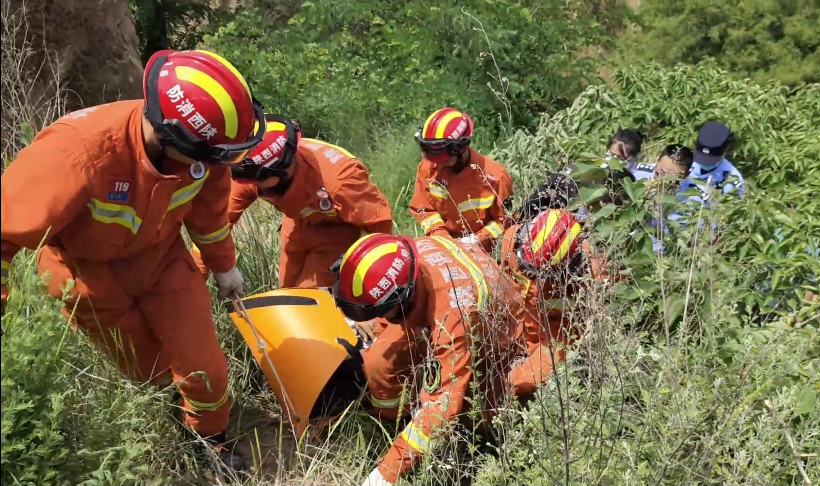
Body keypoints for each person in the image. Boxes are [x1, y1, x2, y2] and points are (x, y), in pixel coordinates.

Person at [0, 50, 262, 454]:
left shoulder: (204, 150)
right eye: (213, 156)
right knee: (152, 372)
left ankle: (210, 441)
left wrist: (224, 267)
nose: (218, 165)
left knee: (206, 371)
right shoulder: (75, 154)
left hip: (163, 263)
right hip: (88, 278)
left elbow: (209, 216)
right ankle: (172, 414)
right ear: (171, 135)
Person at [329, 233, 532, 486]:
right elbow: (387, 317)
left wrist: (386, 475)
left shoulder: (456, 313)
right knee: (381, 361)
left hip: (495, 348)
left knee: (478, 418)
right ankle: (395, 422)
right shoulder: (398, 254)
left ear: (402, 299)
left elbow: (444, 403)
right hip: (434, 311)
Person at [192, 114, 394, 289]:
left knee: (310, 297)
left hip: (336, 230)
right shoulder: (251, 171)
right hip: (297, 225)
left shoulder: (341, 183)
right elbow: (215, 225)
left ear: (282, 169)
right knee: (286, 292)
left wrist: (373, 275)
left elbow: (379, 225)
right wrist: (196, 279)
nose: (253, 185)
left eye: (257, 180)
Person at [499, 209, 613, 398]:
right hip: (514, 328)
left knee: (519, 382)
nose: (530, 275)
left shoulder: (591, 276)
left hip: (556, 339)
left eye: (539, 273)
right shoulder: (512, 240)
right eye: (527, 267)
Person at [408, 107, 514, 253]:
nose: (437, 163)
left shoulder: (496, 177)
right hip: (442, 246)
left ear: (461, 149)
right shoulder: (428, 168)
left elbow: (505, 221)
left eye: (442, 158)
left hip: (484, 253)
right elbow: (423, 209)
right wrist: (441, 237)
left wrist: (475, 240)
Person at [684, 121, 745, 200]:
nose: (705, 162)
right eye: (702, 157)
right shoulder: (684, 163)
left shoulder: (733, 180)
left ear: (725, 151)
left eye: (710, 159)